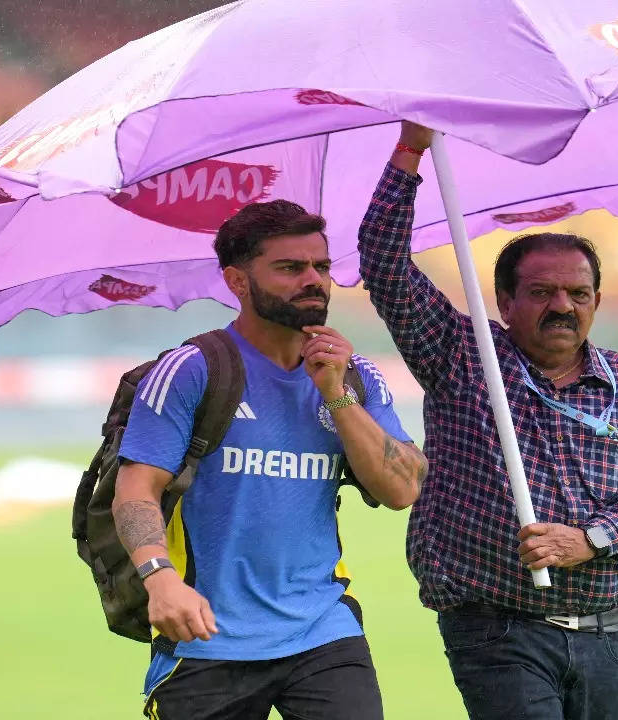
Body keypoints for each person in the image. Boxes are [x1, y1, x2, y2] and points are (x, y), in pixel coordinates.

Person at [357, 122, 618, 720]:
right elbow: (384, 265)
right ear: (505, 303)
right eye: (542, 292)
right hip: (497, 629)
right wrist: (410, 151)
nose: (563, 306)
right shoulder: (462, 355)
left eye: (578, 293)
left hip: (605, 631)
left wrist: (589, 540)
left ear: (596, 300)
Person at [114, 199, 429, 720]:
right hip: (206, 636)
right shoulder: (192, 370)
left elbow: (402, 491)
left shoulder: (355, 376)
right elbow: (136, 489)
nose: (314, 280)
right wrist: (160, 579)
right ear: (237, 281)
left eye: (322, 266)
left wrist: (335, 393)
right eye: (290, 268)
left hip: (323, 629)